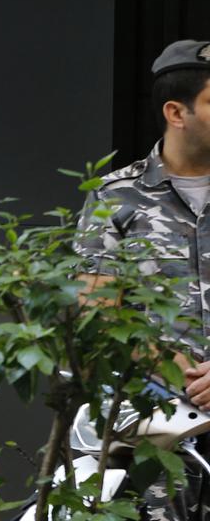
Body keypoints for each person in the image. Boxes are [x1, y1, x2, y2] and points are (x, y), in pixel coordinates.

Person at [76, 39, 210, 520]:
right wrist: (181, 371)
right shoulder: (117, 198)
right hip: (154, 432)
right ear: (177, 112)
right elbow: (96, 314)